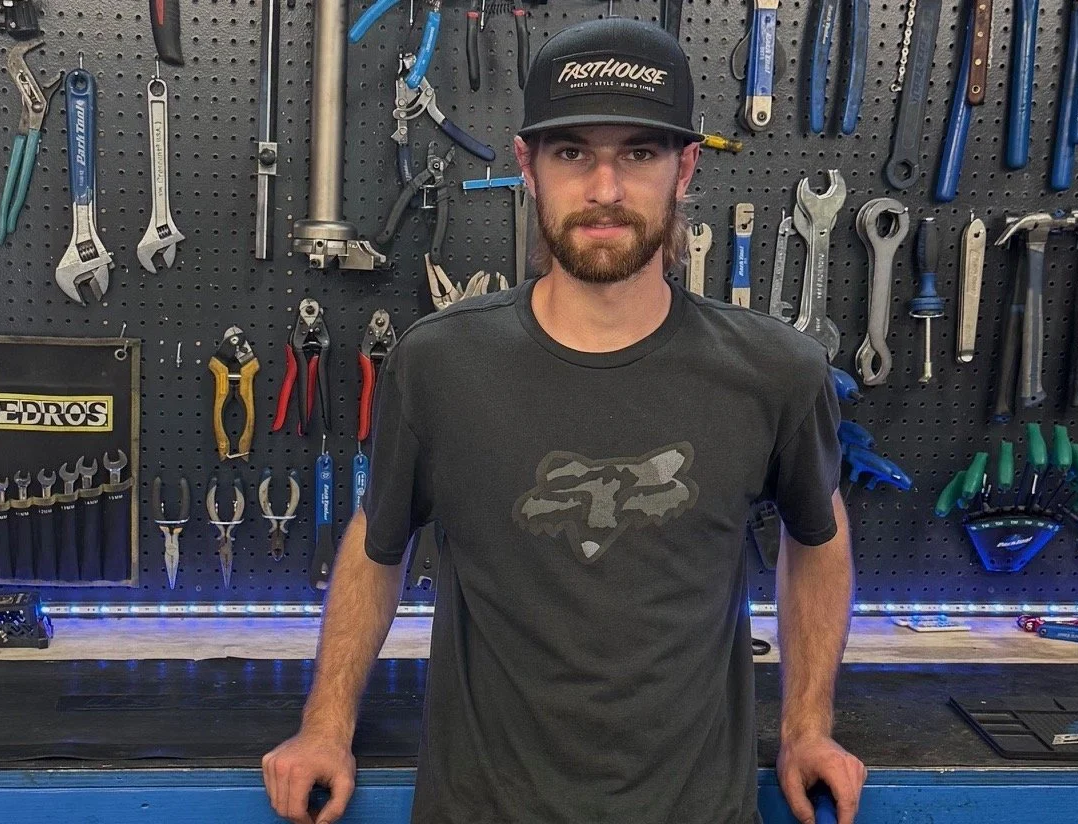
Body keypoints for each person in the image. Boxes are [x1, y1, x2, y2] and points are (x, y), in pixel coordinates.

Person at [262, 16, 866, 824]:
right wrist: (324, 727)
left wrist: (807, 729)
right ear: (527, 167)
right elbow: (378, 547)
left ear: (686, 168)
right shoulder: (438, 364)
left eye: (639, 154)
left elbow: (817, 537)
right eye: (573, 152)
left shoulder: (776, 371)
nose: (605, 189)